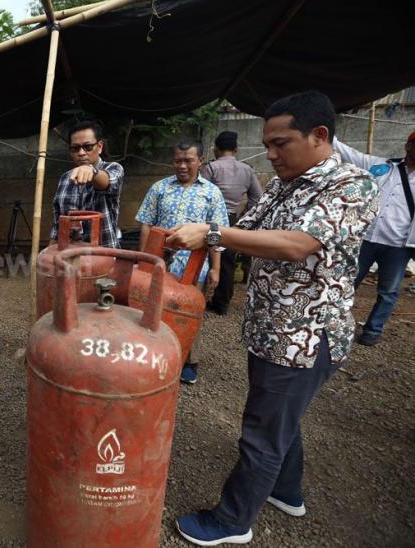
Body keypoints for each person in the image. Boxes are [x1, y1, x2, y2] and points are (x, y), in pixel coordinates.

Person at [167, 91, 378, 546]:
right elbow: (247, 228)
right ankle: (285, 491)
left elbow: (297, 243)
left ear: (319, 135)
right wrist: (202, 236)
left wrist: (212, 233)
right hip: (272, 331)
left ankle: (232, 522)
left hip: (303, 338)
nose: (271, 153)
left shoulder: (351, 185)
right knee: (281, 419)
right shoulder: (287, 183)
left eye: (281, 143)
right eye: (268, 143)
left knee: (262, 434)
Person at [135, 141, 228, 384]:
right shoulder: (160, 188)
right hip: (161, 265)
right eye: (178, 160)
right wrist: (146, 259)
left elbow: (216, 233)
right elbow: (146, 222)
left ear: (200, 161)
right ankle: (154, 358)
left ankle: (188, 361)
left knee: (190, 313)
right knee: (154, 311)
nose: (183, 165)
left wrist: (216, 268)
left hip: (195, 267)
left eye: (188, 160)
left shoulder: (211, 193)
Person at [334, 131, 415, 346]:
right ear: (408, 146)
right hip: (366, 240)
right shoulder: (384, 167)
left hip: (399, 247)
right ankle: (334, 324)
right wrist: (326, 132)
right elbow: (351, 155)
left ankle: (372, 330)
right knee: (347, 283)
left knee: (388, 291)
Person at [200, 131, 263, 315]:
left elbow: (202, 192)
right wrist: (244, 218)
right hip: (233, 219)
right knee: (227, 261)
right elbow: (257, 198)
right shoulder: (247, 169)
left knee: (202, 255)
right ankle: (221, 304)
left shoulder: (211, 168)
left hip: (209, 219)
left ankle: (195, 298)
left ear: (216, 149)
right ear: (235, 149)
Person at [50, 120, 124, 248]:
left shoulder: (114, 168)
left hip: (104, 257)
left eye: (88, 147)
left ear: (100, 146)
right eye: (75, 148)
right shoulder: (64, 179)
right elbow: (57, 228)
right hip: (69, 259)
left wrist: (92, 171)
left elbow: (107, 182)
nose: (81, 153)